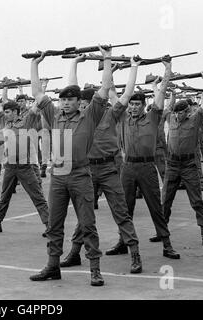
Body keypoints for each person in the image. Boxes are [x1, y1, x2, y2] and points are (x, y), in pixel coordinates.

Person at [29, 46, 112, 287]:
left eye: (70, 99)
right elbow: (36, 92)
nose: (65, 103)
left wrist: (106, 58)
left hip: (79, 175)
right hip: (58, 175)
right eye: (63, 99)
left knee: (87, 223)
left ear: (79, 102)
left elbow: (105, 88)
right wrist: (35, 63)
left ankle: (95, 269)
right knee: (54, 224)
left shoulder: (90, 116)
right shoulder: (54, 115)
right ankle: (52, 266)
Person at [59, 54, 143, 274]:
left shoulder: (110, 114)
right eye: (83, 103)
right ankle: (75, 253)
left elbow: (126, 95)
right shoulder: (80, 118)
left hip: (108, 169)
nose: (85, 106)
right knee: (83, 216)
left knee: (120, 211)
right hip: (87, 170)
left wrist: (133, 67)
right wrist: (74, 63)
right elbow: (72, 87)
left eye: (88, 103)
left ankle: (134, 253)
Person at [118, 58, 180, 259]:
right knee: (125, 208)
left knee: (155, 207)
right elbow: (111, 91)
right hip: (127, 167)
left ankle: (167, 244)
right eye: (132, 104)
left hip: (146, 167)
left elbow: (161, 93)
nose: (134, 107)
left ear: (144, 105)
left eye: (137, 104)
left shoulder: (153, 116)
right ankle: (122, 242)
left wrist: (167, 69)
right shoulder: (123, 118)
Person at [0, 84, 49, 236]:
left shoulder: (27, 121)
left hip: (25, 167)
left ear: (15, 112)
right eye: (4, 112)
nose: (5, 114)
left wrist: (41, 88)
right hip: (10, 167)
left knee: (37, 197)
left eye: (8, 112)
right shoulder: (5, 123)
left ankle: (49, 225)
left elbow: (37, 105)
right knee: (4, 197)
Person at [162, 73, 203, 246]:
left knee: (196, 200)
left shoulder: (195, 119)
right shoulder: (170, 117)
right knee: (166, 200)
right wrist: (173, 93)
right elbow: (167, 106)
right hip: (172, 164)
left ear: (187, 111)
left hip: (188, 165)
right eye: (176, 113)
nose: (177, 116)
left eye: (181, 113)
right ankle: (162, 231)